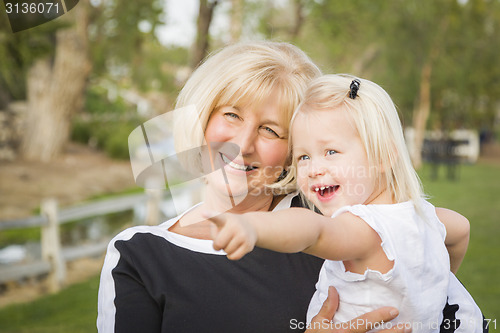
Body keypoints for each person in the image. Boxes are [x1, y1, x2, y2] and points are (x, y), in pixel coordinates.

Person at [97, 42, 485, 333]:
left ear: (292, 150)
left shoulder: (336, 220)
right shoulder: (138, 254)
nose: (243, 144)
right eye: (231, 114)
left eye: (270, 130)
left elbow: (433, 279)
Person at [206, 74, 486, 332]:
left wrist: (253, 227)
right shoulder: (424, 216)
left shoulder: (365, 229)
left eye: (331, 151)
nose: (314, 169)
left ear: (383, 156)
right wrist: (436, 283)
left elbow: (312, 230)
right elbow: (462, 230)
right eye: (303, 157)